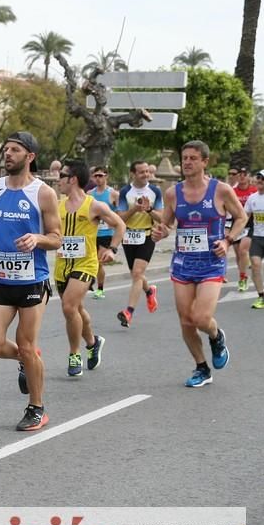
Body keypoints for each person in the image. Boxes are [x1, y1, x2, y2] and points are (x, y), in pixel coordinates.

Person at [0, 131, 61, 431]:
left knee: (26, 342)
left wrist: (37, 238)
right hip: (1, 280)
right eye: (5, 149)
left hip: (33, 281)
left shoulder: (43, 193)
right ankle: (25, 360)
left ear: (30, 157)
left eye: (15, 150)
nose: (7, 154)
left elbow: (56, 238)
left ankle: (37, 407)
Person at [151, 140, 246, 388]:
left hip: (212, 262)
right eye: (184, 158)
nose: (187, 162)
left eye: (193, 158)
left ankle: (216, 336)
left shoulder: (221, 190)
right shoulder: (173, 193)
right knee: (186, 321)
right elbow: (166, 224)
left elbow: (241, 217)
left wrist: (227, 240)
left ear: (205, 161)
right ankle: (202, 367)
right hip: (183, 262)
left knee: (202, 318)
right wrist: (159, 233)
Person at [55, 160, 125, 376]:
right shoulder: (57, 205)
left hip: (85, 264)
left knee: (68, 307)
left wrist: (112, 249)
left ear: (73, 179)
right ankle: (93, 343)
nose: (58, 180)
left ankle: (74, 354)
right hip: (62, 265)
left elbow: (120, 225)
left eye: (61, 176)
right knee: (76, 309)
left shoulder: (94, 205)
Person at [116, 161, 162, 327]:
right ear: (133, 174)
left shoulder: (155, 191)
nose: (146, 175)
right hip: (128, 236)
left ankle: (128, 312)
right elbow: (119, 218)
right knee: (136, 274)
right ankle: (149, 291)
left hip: (147, 235)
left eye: (147, 171)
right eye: (142, 172)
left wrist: (149, 210)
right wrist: (134, 209)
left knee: (137, 273)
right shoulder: (125, 192)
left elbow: (162, 218)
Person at [87, 165, 119, 298]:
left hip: (106, 233)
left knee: (99, 261)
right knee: (91, 260)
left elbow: (119, 214)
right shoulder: (89, 194)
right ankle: (91, 283)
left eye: (101, 175)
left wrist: (114, 224)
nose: (98, 178)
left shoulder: (113, 194)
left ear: (106, 176)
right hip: (92, 233)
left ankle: (100, 289)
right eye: (95, 176)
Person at [227, 167, 257, 291]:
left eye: (245, 174)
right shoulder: (232, 191)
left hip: (251, 223)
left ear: (249, 176)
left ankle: (243, 277)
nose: (242, 176)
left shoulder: (254, 191)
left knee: (243, 250)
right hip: (237, 222)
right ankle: (242, 275)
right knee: (238, 253)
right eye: (240, 174)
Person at [244, 170, 264, 308]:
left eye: (263, 179)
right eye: (258, 178)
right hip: (257, 237)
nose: (259, 180)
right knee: (255, 264)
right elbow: (245, 215)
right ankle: (261, 297)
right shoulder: (252, 198)